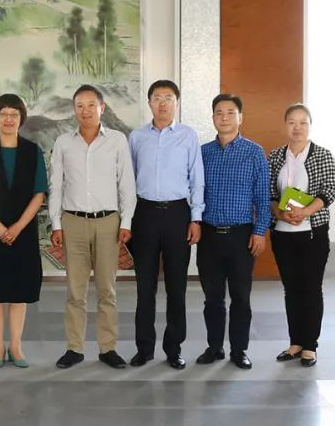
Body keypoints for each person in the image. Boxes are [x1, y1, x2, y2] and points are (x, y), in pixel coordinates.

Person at [49, 85, 137, 370]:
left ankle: (107, 348)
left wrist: (126, 221)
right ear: (74, 109)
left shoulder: (117, 141)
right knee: (75, 291)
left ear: (102, 108)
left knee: (107, 290)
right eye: (79, 105)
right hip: (73, 222)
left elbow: (126, 184)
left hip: (108, 223)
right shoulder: (64, 142)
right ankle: (74, 348)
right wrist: (56, 224)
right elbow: (56, 186)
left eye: (91, 105)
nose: (85, 111)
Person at [127, 80, 204, 370]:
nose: (162, 103)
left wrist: (196, 218)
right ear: (149, 103)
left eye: (168, 98)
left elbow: (197, 179)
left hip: (177, 214)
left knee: (177, 287)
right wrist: (127, 220)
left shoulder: (188, 136)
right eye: (157, 98)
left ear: (177, 103)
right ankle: (144, 349)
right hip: (144, 213)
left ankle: (173, 349)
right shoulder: (137, 137)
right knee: (145, 288)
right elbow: (128, 180)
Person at [0, 94, 48, 369]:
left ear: (21, 118)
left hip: (23, 232)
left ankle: (15, 346)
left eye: (14, 114)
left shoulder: (33, 151)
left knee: (19, 290)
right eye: (4, 114)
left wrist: (17, 227)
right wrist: (0, 227)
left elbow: (39, 194)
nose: (9, 119)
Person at [196, 93, 271, 370]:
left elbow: (262, 197)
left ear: (240, 117)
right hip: (209, 235)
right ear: (213, 118)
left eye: (230, 112)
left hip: (242, 236)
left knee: (241, 297)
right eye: (219, 112)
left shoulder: (254, 152)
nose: (224, 117)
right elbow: (194, 193)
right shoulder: (202, 153)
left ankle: (239, 350)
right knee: (212, 297)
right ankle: (214, 347)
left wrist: (260, 231)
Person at [267, 103, 335, 368]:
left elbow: (329, 189)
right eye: (292, 122)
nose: (297, 128)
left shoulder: (322, 154)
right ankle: (295, 342)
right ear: (285, 125)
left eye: (303, 122)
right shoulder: (276, 155)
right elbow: (269, 192)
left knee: (311, 288)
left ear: (310, 125)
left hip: (312, 233)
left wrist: (305, 211)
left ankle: (310, 345)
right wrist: (279, 212)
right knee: (291, 289)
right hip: (282, 233)